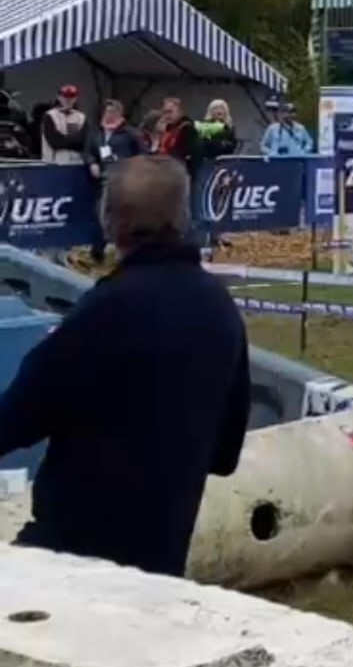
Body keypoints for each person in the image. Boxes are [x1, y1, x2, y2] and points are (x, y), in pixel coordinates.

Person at [0, 154, 251, 577]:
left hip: (70, 559)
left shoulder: (102, 313)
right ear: (184, 217)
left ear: (110, 222)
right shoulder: (220, 308)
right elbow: (224, 455)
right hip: (161, 562)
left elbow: (15, 419)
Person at [84, 99, 147, 264]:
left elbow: (142, 154)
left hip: (124, 180)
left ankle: (125, 252)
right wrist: (92, 163)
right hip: (104, 179)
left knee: (122, 218)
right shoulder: (97, 133)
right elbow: (88, 151)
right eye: (107, 112)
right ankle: (97, 252)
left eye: (113, 112)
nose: (109, 115)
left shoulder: (130, 134)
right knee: (101, 214)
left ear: (120, 115)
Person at [40, 85, 88, 164]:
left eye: (71, 97)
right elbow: (54, 142)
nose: (68, 100)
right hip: (54, 163)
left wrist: (65, 139)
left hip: (77, 162)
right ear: (59, 97)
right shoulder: (50, 116)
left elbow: (85, 141)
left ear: (75, 99)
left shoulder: (81, 117)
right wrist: (74, 140)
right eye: (65, 96)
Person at [158, 96, 202, 176]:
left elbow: (194, 156)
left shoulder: (187, 129)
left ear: (179, 112)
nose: (167, 116)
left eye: (170, 112)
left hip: (180, 173)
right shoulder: (166, 130)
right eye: (165, 112)